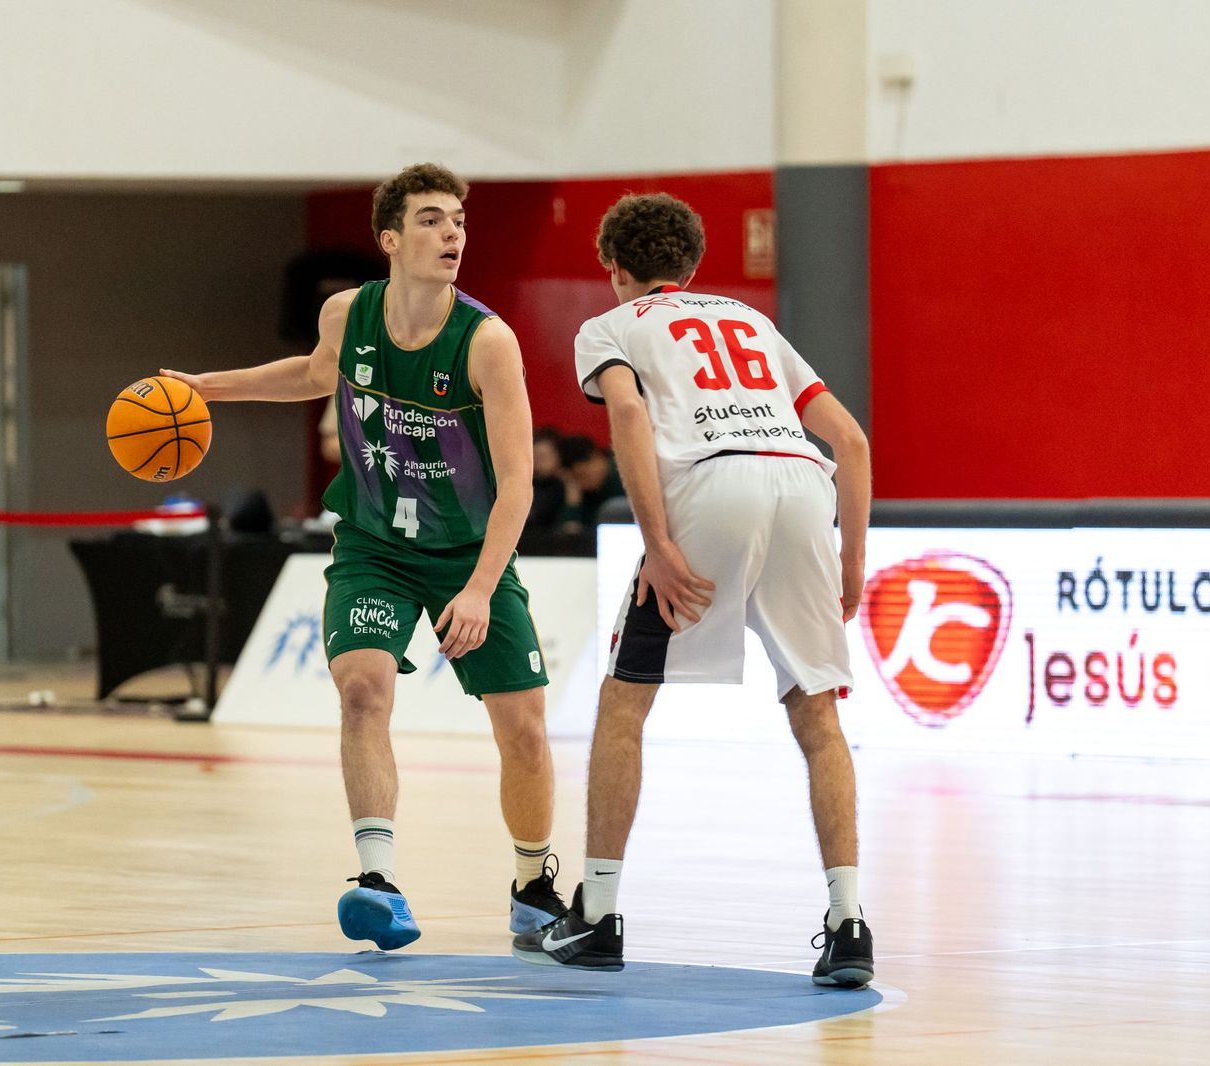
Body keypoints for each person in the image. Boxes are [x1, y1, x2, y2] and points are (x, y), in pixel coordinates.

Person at [163, 163, 565, 951]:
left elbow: (518, 482)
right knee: (361, 693)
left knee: (523, 728)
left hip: (466, 551)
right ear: (390, 238)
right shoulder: (347, 314)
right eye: (431, 220)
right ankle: (377, 880)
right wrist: (208, 387)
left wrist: (481, 588)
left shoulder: (487, 341)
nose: (452, 234)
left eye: (458, 221)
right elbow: (315, 375)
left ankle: (533, 883)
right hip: (373, 543)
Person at [512, 193, 875, 988]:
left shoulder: (611, 326)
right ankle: (849, 924)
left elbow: (630, 418)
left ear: (615, 269)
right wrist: (851, 560)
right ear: (694, 264)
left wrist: (658, 544)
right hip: (803, 487)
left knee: (624, 705)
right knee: (818, 716)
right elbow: (849, 440)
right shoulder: (752, 321)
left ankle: (598, 915)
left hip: (712, 486)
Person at [556, 435, 625, 528]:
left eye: (581, 476)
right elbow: (568, 530)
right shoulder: (587, 493)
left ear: (596, 457)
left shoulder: (623, 477)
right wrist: (573, 504)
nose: (580, 485)